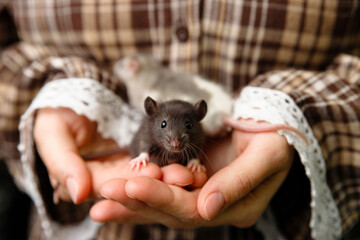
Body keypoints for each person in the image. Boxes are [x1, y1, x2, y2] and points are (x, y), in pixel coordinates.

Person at [0, 0, 359, 239]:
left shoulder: (196, 136)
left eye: (186, 128)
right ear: (153, 115)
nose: (176, 139)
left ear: (197, 120)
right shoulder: (149, 127)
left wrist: (284, 112)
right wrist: (56, 101)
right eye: (166, 129)